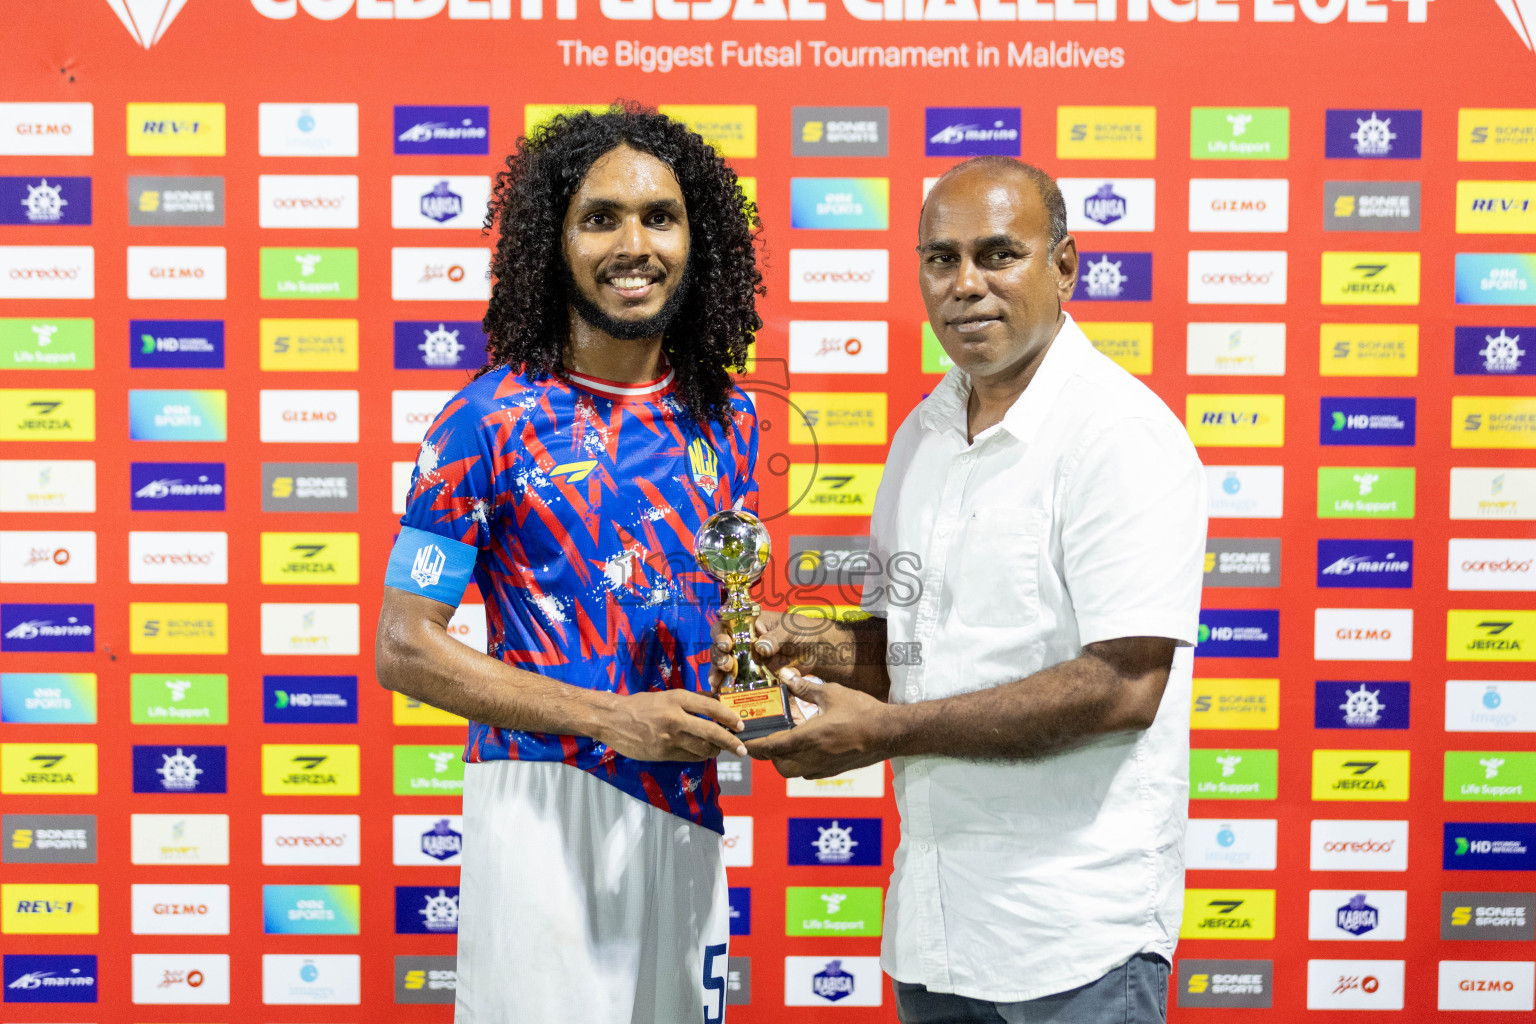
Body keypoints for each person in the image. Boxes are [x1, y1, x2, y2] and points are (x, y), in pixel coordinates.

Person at [732, 156, 1207, 1024]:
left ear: (1064, 266)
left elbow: (1123, 686)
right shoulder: (922, 434)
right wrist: (803, 643)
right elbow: (906, 649)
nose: (966, 285)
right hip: (936, 932)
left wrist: (885, 733)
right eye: (941, 259)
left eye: (999, 254)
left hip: (1076, 943)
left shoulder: (1122, 436)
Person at [376, 105, 763, 1024]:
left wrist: (766, 656)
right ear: (554, 244)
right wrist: (610, 719)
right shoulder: (485, 421)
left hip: (684, 803)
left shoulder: (729, 419)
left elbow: (709, 617)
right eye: (601, 218)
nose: (635, 245)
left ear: (695, 240)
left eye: (660, 217)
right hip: (540, 807)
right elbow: (405, 647)